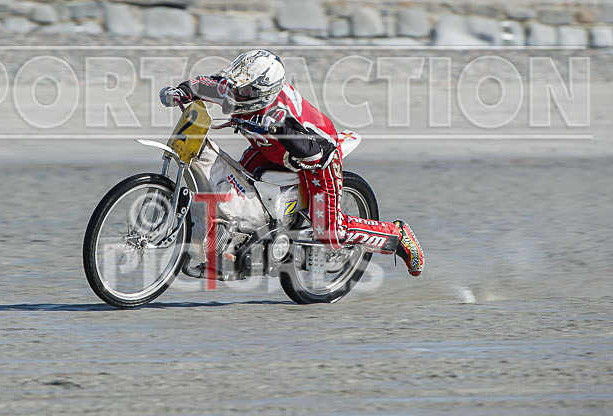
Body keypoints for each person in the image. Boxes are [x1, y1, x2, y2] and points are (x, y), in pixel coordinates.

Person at [159, 50, 424, 276]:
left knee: (329, 232)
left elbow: (313, 154)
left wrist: (278, 128)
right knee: (238, 190)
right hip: (270, 150)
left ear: (263, 92)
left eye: (246, 89)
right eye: (238, 85)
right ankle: (233, 246)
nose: (237, 93)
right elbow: (206, 84)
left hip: (317, 159)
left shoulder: (282, 115)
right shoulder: (239, 88)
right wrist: (181, 92)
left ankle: (396, 235)